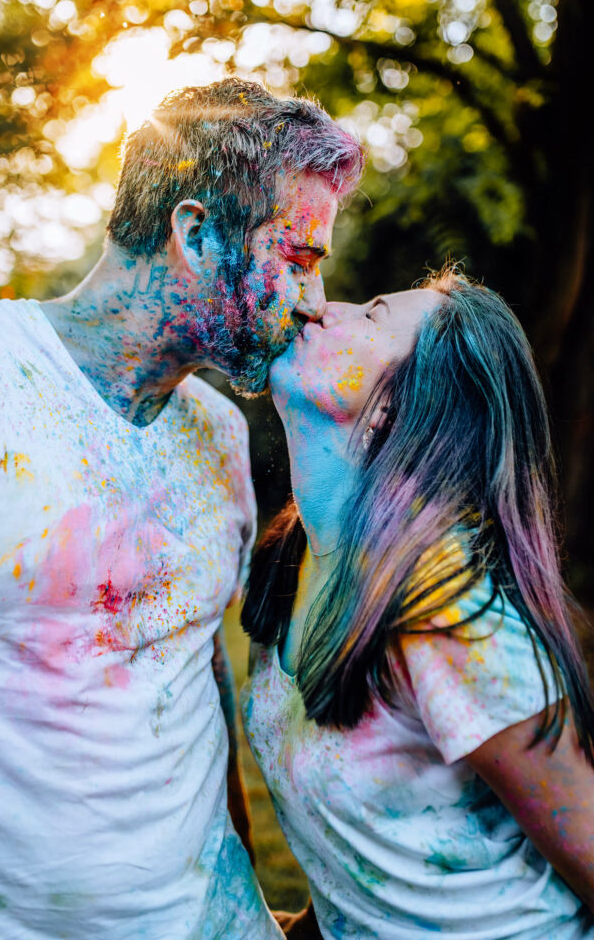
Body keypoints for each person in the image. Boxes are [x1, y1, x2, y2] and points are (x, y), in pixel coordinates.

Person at [0, 77, 363, 939]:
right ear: (195, 234)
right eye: (298, 259)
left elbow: (196, 670)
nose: (312, 302)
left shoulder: (221, 432)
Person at [241, 268, 594, 939]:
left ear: (397, 410)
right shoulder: (288, 563)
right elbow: (385, 837)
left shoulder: (446, 610)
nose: (322, 307)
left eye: (373, 316)